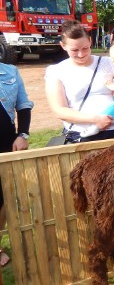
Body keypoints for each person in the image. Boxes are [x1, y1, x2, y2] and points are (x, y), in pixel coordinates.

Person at [45, 20, 114, 142]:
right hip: (84, 135)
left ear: (90, 41)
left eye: (85, 48)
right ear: (63, 46)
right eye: (75, 50)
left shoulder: (110, 62)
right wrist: (95, 120)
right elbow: (59, 110)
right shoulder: (56, 71)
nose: (81, 54)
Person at [0, 62, 34, 268]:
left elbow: (23, 105)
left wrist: (23, 135)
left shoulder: (10, 71)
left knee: (2, 198)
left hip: (5, 143)